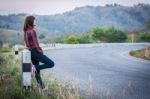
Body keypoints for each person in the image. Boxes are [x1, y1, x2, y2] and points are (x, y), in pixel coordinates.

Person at [23, 16, 55, 89]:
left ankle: (42, 87)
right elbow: (36, 44)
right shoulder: (32, 31)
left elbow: (28, 44)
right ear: (31, 22)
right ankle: (32, 68)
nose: (35, 22)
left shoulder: (26, 31)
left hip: (31, 52)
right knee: (51, 63)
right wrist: (41, 52)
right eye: (34, 21)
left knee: (37, 71)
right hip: (35, 51)